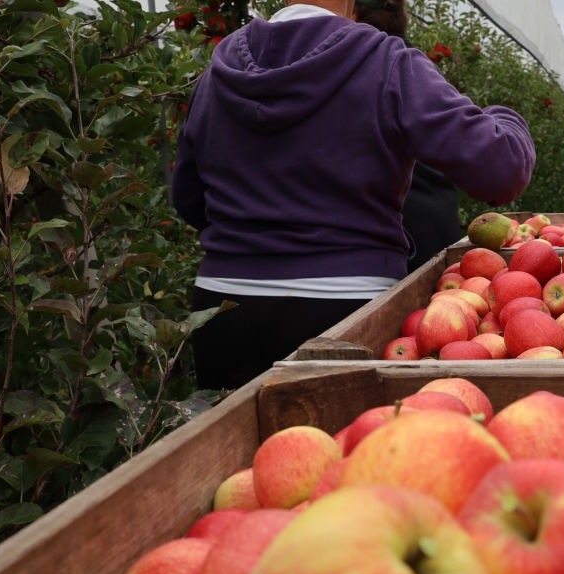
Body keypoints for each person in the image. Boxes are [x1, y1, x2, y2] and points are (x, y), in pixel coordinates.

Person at [172, 0, 535, 390]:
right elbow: (501, 170)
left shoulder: (218, 71)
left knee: (229, 446)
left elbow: (190, 199)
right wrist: (505, 116)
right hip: (346, 308)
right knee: (350, 449)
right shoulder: (385, 61)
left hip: (224, 311)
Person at [352, 0, 465, 272]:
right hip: (438, 223)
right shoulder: (419, 67)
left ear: (352, 15)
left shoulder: (362, 70)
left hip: (399, 237)